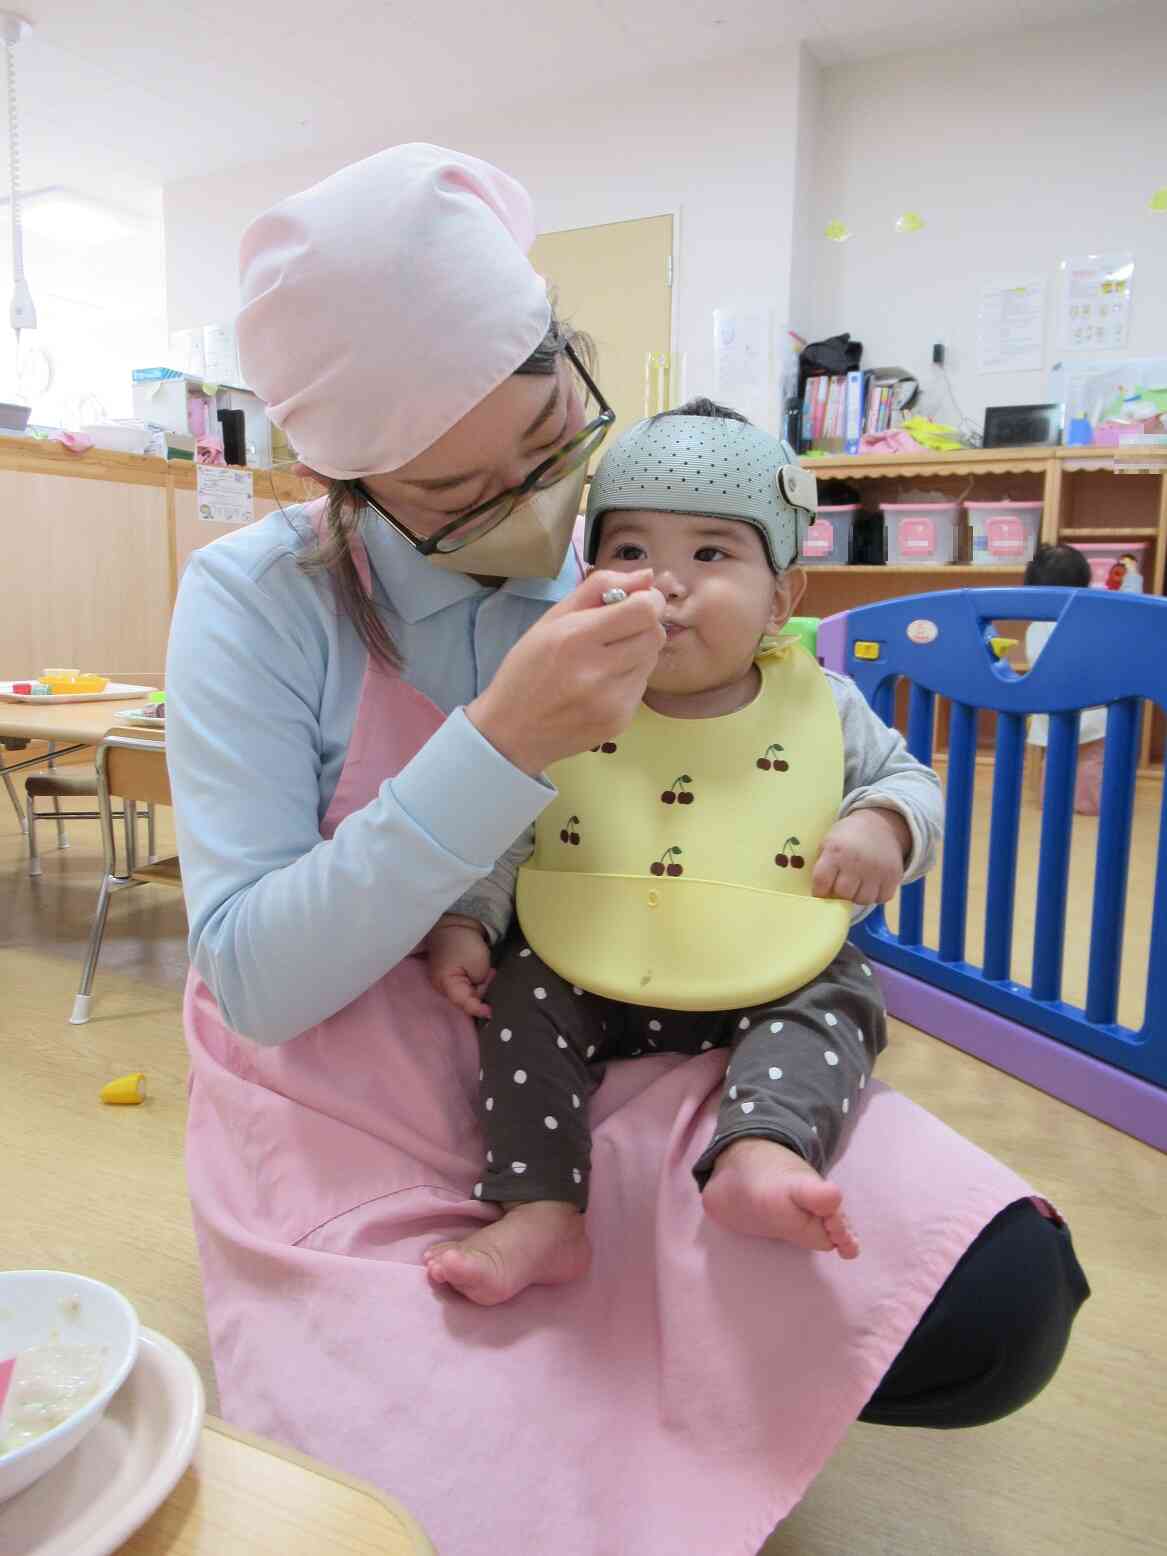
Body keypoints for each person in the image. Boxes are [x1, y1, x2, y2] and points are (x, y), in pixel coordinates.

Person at [167, 144, 1088, 1556]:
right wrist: (495, 747)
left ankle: (661, 1320)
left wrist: (838, 831)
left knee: (998, 1303)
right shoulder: (257, 601)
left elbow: (772, 767)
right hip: (364, 1073)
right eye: (457, 494)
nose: (535, 514)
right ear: (341, 479)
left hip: (645, 1030)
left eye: (550, 443)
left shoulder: (645, 542)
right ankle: (598, 1322)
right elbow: (257, 980)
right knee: (422, 1491)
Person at [424, 401, 943, 1305]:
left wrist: (882, 826)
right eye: (629, 553)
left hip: (771, 959)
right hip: (590, 958)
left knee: (842, 998)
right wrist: (470, 917)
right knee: (522, 991)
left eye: (711, 554)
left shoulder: (825, 704)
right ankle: (542, 1207)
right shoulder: (569, 692)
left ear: (781, 599)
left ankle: (762, 1149)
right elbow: (511, 820)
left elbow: (911, 784)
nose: (664, 582)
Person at [1024, 543, 1107, 814]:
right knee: (1091, 759)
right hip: (1093, 705)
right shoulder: (1094, 618)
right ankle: (1090, 804)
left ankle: (1055, 803)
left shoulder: (1037, 626)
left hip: (1055, 705)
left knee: (1057, 757)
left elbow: (1037, 662)